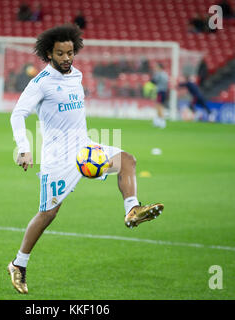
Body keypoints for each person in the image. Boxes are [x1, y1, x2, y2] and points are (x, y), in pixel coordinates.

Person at [8, 24, 164, 294]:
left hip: (85, 149)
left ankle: (132, 210)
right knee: (48, 213)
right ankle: (18, 264)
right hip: (58, 159)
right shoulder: (41, 83)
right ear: (49, 53)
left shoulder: (76, 75)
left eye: (70, 52)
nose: (67, 58)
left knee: (127, 160)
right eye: (61, 53)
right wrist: (24, 147)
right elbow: (17, 114)